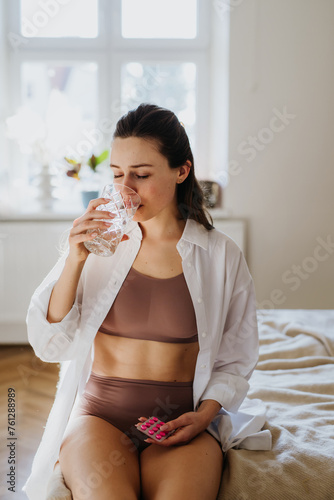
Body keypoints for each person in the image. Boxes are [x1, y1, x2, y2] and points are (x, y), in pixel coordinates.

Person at [22, 103, 271, 500]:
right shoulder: (97, 244)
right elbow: (50, 344)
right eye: (117, 175)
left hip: (180, 426)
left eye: (140, 174)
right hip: (99, 420)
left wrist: (203, 417)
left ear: (181, 170)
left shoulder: (220, 256)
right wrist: (74, 259)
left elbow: (235, 358)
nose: (126, 189)